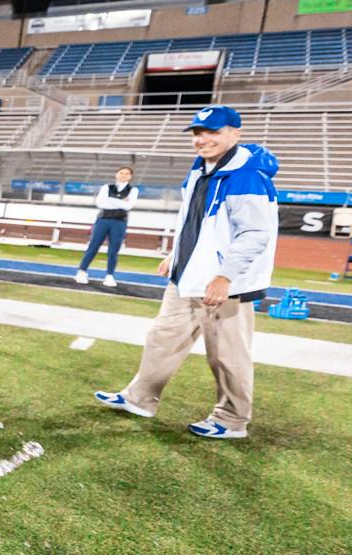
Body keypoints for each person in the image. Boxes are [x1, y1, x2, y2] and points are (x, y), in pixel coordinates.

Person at [95, 106, 277, 439]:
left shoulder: (247, 175)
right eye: (198, 132)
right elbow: (194, 223)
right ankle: (140, 398)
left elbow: (254, 235)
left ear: (235, 133)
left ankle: (233, 420)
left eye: (213, 132)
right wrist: (175, 254)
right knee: (162, 339)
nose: (202, 139)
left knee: (227, 354)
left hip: (223, 283)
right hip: (188, 275)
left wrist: (226, 276)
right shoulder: (200, 169)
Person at [76, 165, 138, 287]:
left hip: (119, 222)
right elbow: (100, 203)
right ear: (116, 174)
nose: (123, 175)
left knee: (114, 249)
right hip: (103, 220)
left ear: (130, 177)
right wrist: (120, 202)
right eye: (121, 173)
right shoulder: (106, 187)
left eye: (127, 173)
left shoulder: (133, 190)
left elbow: (128, 206)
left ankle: (109, 276)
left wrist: (110, 200)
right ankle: (82, 271)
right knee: (93, 246)